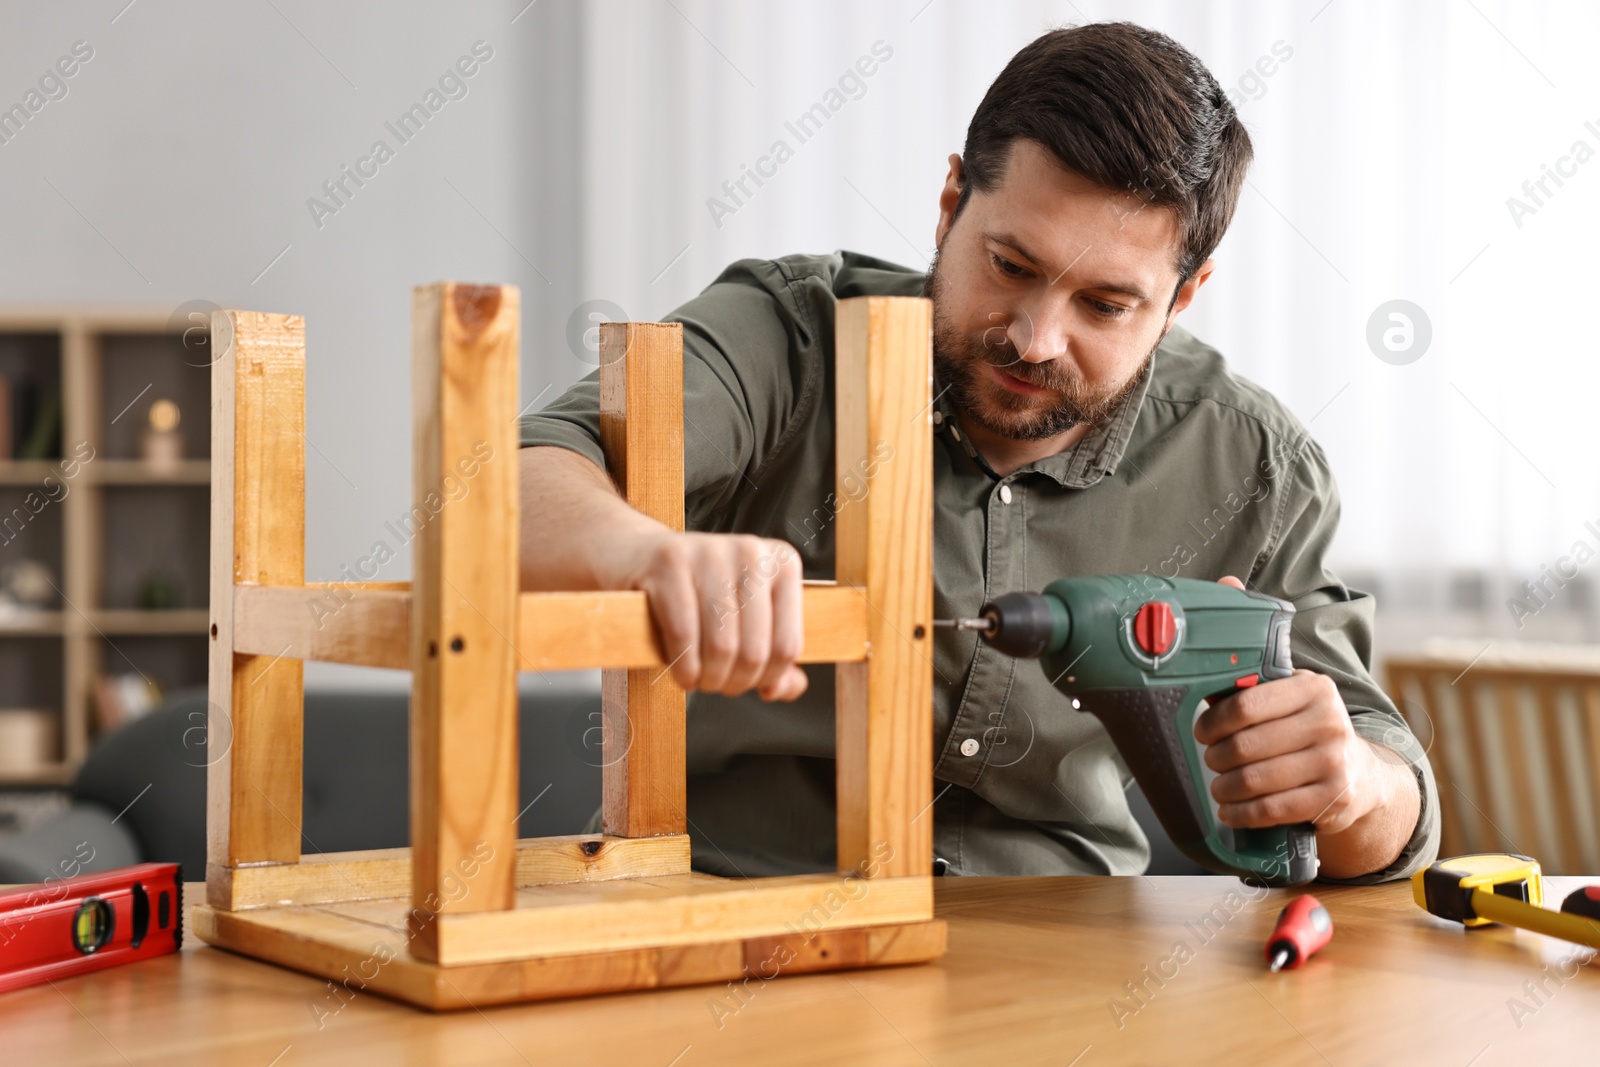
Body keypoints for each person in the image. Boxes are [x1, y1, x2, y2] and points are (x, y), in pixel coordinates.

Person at [517, 21, 1439, 882]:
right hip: (740, 929)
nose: (1037, 338)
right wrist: (649, 555)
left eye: (1106, 305)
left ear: (1185, 294)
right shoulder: (787, 342)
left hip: (1069, 962)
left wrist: (1351, 781)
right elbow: (509, 484)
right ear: (952, 201)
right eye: (1011, 266)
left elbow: (1394, 804)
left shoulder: (1253, 465)